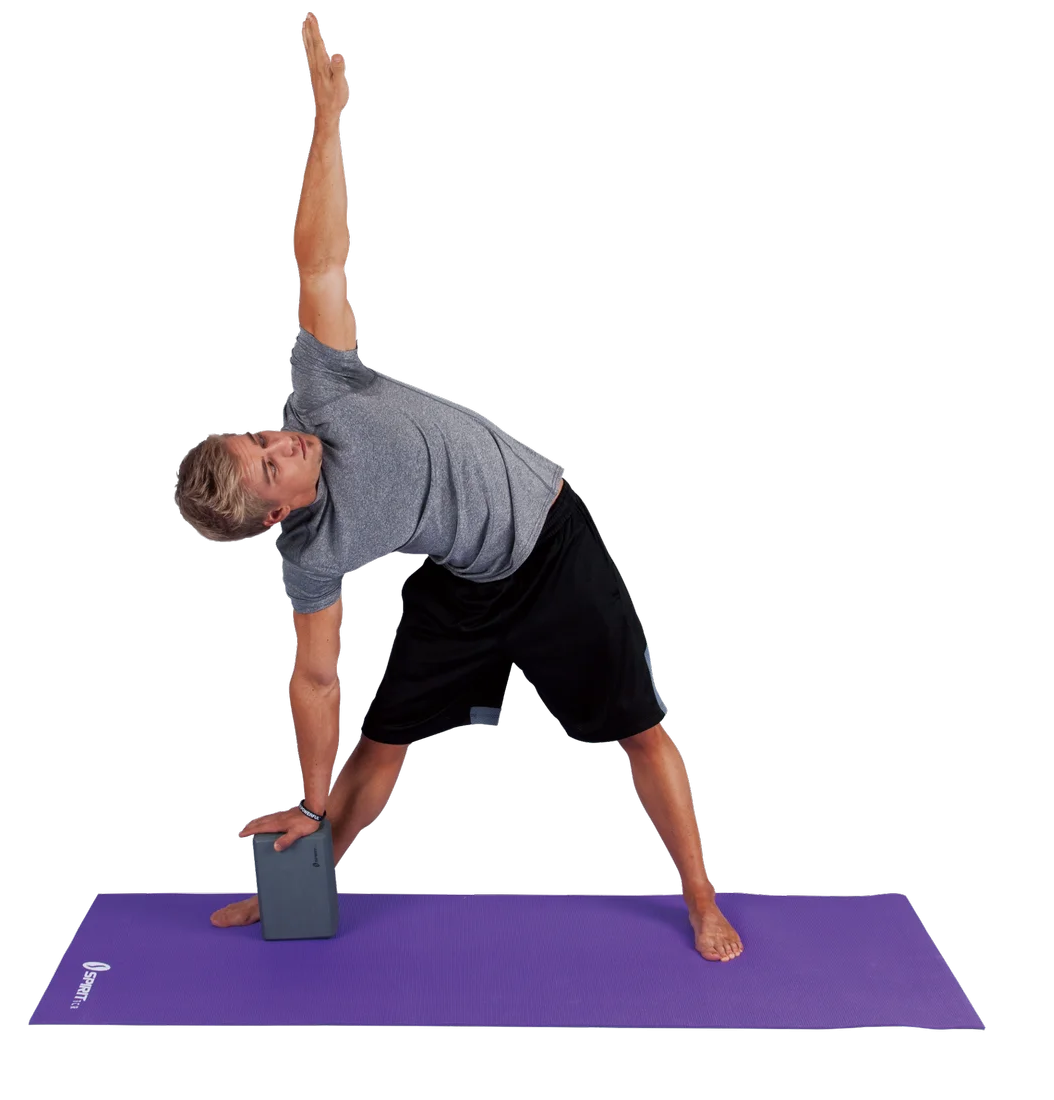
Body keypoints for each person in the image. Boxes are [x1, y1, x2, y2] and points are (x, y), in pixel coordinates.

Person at [172, 14, 742, 962]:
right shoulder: (311, 556)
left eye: (261, 434)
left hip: (548, 538)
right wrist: (309, 806)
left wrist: (325, 121)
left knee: (641, 729)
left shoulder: (325, 389)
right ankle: (309, 882)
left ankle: (698, 892)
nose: (282, 440)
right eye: (271, 462)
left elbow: (318, 258)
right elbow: (314, 680)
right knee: (378, 746)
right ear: (275, 516)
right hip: (460, 581)